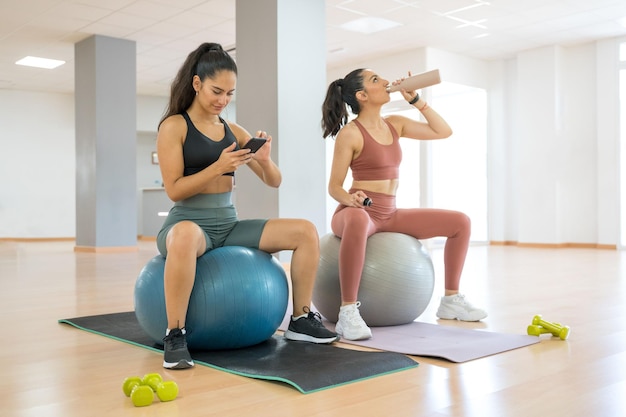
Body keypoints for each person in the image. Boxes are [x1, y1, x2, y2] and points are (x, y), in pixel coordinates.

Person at [156, 42, 338, 370]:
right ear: (197, 84)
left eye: (229, 93)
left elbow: (275, 180)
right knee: (183, 237)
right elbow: (174, 190)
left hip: (228, 224)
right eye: (216, 91)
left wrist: (265, 161)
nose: (223, 100)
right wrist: (217, 165)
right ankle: (176, 333)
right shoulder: (174, 126)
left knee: (305, 231)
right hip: (188, 224)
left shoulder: (232, 131)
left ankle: (300, 319)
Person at [321, 68, 487, 341]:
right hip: (358, 212)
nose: (386, 82)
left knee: (461, 222)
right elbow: (334, 186)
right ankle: (348, 312)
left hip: (390, 212)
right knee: (359, 219)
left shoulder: (395, 124)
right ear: (362, 95)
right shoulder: (350, 133)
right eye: (376, 80)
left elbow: (443, 131)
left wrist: (416, 101)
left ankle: (451, 299)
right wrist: (350, 200)